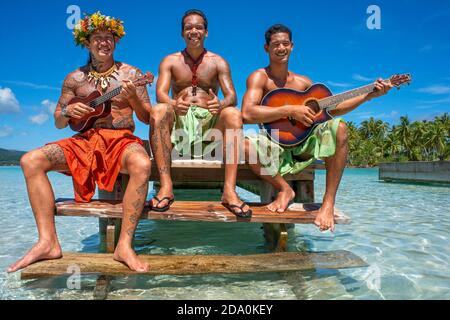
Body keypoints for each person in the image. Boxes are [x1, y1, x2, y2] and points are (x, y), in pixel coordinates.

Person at [7, 12, 153, 273]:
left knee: (142, 164)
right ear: (87, 43)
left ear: (115, 42)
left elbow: (147, 117)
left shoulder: (132, 74)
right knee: (30, 160)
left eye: (109, 38)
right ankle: (48, 242)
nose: (103, 43)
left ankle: (124, 246)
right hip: (85, 140)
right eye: (98, 38)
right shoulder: (74, 78)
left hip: (120, 141)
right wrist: (67, 113)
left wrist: (133, 99)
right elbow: (57, 120)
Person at [242, 24, 393, 231]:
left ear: (292, 46)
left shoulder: (304, 83)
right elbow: (247, 113)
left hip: (304, 145)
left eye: (285, 43)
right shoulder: (259, 77)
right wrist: (290, 111)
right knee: (244, 144)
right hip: (274, 142)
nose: (281, 48)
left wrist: (369, 95)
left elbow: (334, 109)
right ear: (266, 48)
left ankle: (328, 203)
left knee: (338, 128)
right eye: (275, 44)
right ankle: (285, 189)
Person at [150, 9, 252, 217]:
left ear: (206, 33)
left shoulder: (218, 61)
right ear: (182, 33)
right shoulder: (170, 61)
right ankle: (166, 186)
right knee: (159, 110)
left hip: (210, 122)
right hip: (179, 119)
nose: (193, 31)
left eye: (198, 27)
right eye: (188, 27)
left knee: (233, 113)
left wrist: (220, 104)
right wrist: (173, 103)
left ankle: (229, 191)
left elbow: (232, 95)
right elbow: (160, 93)